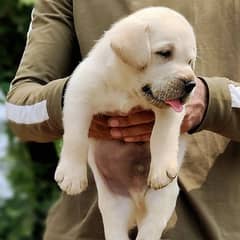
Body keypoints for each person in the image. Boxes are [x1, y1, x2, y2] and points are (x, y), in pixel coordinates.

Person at [6, 0, 240, 239]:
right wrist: (74, 100)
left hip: (213, 229)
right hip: (90, 230)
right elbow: (17, 110)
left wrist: (213, 100)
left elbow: (210, 98)